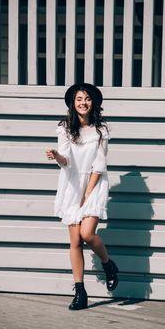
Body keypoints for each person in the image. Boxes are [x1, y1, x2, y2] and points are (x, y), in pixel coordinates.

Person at [46, 83, 119, 310]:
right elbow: (66, 161)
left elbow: (99, 163)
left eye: (87, 98)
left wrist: (87, 193)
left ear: (93, 102)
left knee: (87, 234)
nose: (83, 102)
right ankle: (80, 291)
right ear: (73, 103)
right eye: (79, 99)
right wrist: (57, 155)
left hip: (94, 182)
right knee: (75, 240)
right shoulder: (65, 128)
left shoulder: (101, 130)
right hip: (71, 184)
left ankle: (108, 265)